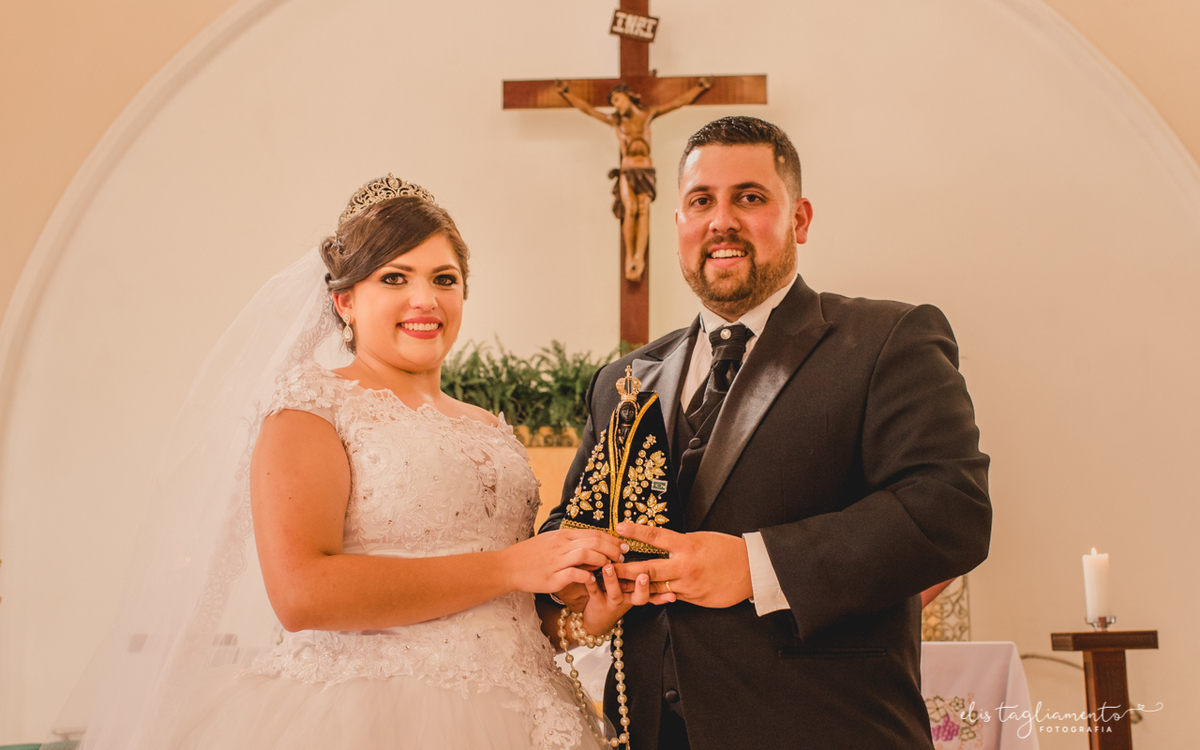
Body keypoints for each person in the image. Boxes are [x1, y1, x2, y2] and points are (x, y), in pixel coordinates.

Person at [75, 176, 650, 750]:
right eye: (394, 278)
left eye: (443, 280)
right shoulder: (309, 407)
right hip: (369, 716)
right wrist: (509, 567)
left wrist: (583, 620)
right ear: (344, 300)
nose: (424, 300)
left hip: (528, 715)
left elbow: (508, 614)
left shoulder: (490, 429)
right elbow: (302, 593)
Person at [541, 117, 993, 748]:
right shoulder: (622, 379)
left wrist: (755, 566)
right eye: (702, 201)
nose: (721, 220)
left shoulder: (889, 340)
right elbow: (570, 530)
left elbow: (949, 513)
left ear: (799, 219)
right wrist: (580, 586)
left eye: (748, 198)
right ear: (679, 226)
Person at [555, 79, 712, 281]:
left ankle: (639, 256)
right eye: (613, 102)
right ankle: (630, 255)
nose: (616, 105)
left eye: (618, 99)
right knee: (630, 210)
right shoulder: (616, 122)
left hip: (645, 169)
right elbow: (588, 110)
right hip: (627, 169)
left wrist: (700, 87)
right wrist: (566, 94)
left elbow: (677, 102)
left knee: (644, 209)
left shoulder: (647, 115)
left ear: (629, 97)